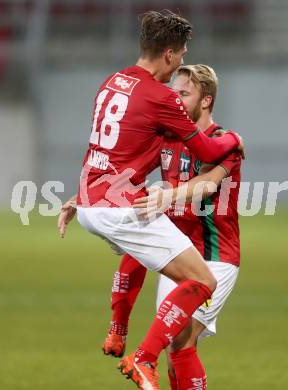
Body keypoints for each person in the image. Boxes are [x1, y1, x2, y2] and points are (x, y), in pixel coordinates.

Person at [71, 10, 244, 390]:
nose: (177, 98)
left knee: (180, 340)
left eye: (186, 93)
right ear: (169, 53)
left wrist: (83, 195)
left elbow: (113, 151)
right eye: (180, 55)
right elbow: (199, 148)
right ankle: (140, 357)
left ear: (207, 100)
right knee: (181, 333)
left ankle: (127, 342)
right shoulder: (163, 106)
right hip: (171, 241)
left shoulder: (112, 83)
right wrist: (236, 141)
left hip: (215, 252)